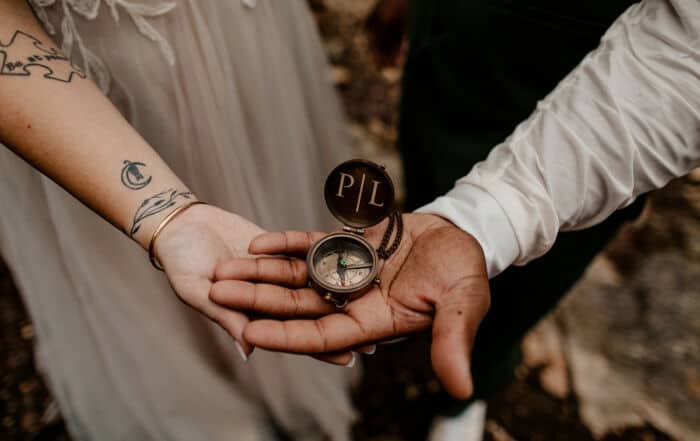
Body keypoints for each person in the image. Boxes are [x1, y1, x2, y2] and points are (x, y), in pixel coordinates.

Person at [210, 0, 699, 405]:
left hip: (593, 71)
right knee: (428, 183)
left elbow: (685, 57)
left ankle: (476, 383)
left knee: (541, 270)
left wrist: (490, 218)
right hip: (455, 41)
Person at [0, 1, 361, 440]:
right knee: (126, 271)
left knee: (272, 203)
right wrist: (168, 216)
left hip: (246, 29)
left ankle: (286, 379)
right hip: (70, 94)